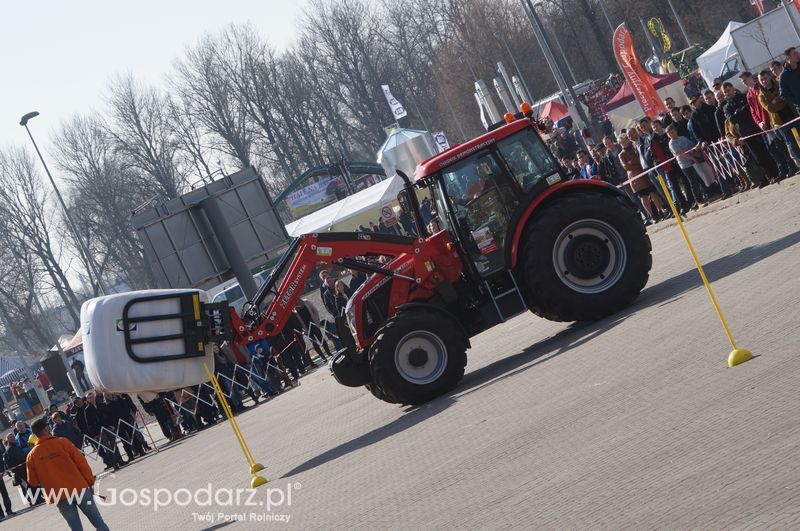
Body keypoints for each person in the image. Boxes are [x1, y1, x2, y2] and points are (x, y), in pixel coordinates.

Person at [26, 418, 110, 531]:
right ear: (46, 428)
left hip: (59, 495)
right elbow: (82, 464)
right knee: (99, 523)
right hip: (79, 488)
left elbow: (33, 481)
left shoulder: (32, 455)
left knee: (76, 529)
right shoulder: (63, 442)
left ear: (35, 434)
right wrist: (90, 482)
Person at [722, 81, 777, 186]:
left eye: (728, 90)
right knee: (757, 157)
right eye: (725, 92)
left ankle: (777, 171)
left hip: (756, 128)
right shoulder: (726, 107)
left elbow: (750, 109)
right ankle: (768, 176)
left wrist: (738, 112)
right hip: (745, 134)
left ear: (733, 88)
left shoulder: (744, 96)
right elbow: (732, 119)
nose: (727, 93)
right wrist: (742, 111)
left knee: (768, 150)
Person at [758, 69, 800, 171]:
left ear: (770, 77)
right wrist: (780, 99)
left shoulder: (779, 84)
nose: (764, 81)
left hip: (793, 115)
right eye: (761, 80)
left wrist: (775, 101)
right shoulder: (760, 96)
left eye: (766, 78)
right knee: (791, 143)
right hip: (780, 123)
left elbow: (786, 97)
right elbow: (771, 108)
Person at [618, 133, 663, 222]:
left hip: (644, 172)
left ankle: (661, 211)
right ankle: (652, 216)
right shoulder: (621, 154)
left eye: (625, 140)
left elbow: (641, 159)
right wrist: (636, 163)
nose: (624, 143)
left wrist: (632, 162)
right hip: (635, 177)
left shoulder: (635, 147)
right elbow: (626, 167)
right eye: (622, 142)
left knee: (652, 192)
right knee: (643, 196)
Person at [666, 124, 710, 207]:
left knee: (700, 178)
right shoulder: (671, 143)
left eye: (672, 132)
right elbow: (681, 153)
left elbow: (691, 146)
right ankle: (698, 200)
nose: (671, 134)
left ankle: (706, 195)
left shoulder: (682, 138)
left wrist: (696, 151)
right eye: (669, 133)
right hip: (685, 165)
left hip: (694, 161)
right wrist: (693, 158)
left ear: (676, 131)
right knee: (693, 182)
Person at [779, 47, 800, 112]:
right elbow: (783, 95)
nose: (798, 54)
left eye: (797, 52)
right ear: (788, 58)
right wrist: (797, 100)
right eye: (794, 53)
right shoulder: (784, 76)